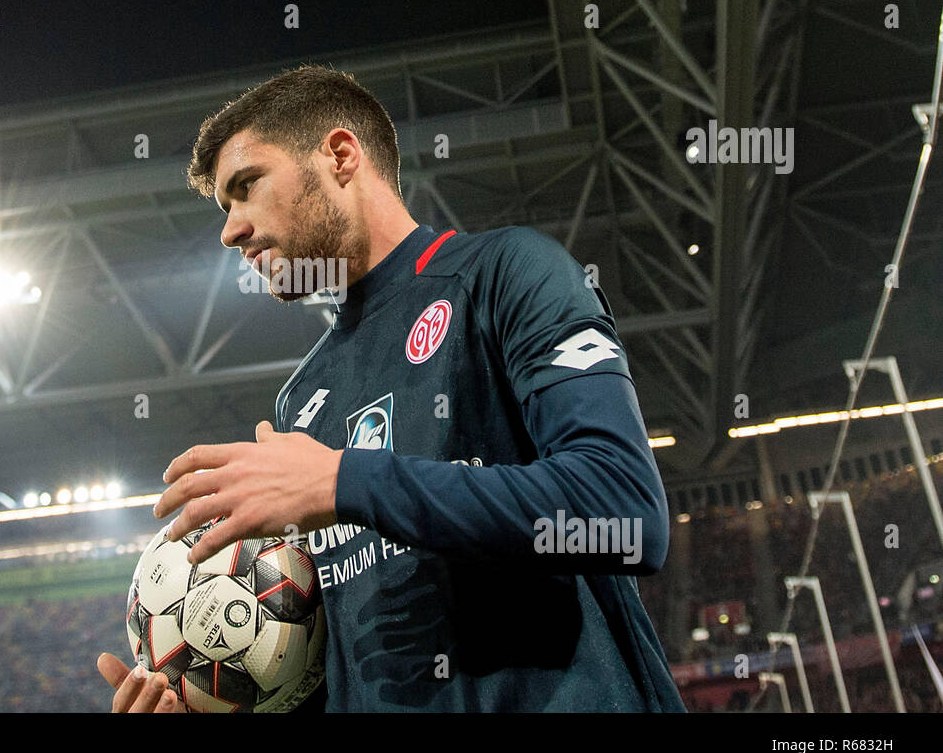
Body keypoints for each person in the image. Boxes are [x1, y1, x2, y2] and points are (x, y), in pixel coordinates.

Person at [98, 64, 685, 712]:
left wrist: (345, 481)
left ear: (341, 156)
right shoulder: (303, 401)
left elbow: (626, 514)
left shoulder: (506, 274)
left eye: (246, 185)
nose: (230, 229)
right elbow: (344, 677)